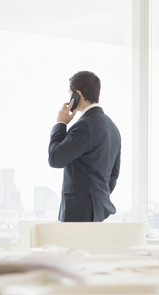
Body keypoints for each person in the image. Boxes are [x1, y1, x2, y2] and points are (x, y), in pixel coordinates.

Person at [48, 71, 121, 222]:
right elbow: (113, 176)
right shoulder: (113, 128)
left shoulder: (85, 126)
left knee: (74, 247)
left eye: (70, 94)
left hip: (79, 213)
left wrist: (61, 124)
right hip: (99, 211)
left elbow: (55, 158)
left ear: (77, 94)